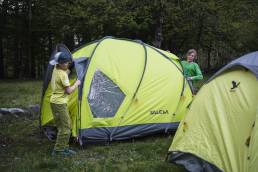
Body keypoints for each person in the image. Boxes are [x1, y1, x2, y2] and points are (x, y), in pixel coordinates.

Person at [49, 52, 81, 156]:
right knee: (66, 127)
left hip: (55, 102)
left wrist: (69, 67)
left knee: (62, 126)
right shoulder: (63, 74)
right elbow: (69, 91)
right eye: (67, 63)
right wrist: (77, 83)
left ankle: (64, 147)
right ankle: (58, 150)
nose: (68, 64)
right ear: (61, 64)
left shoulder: (56, 68)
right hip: (59, 103)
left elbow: (66, 71)